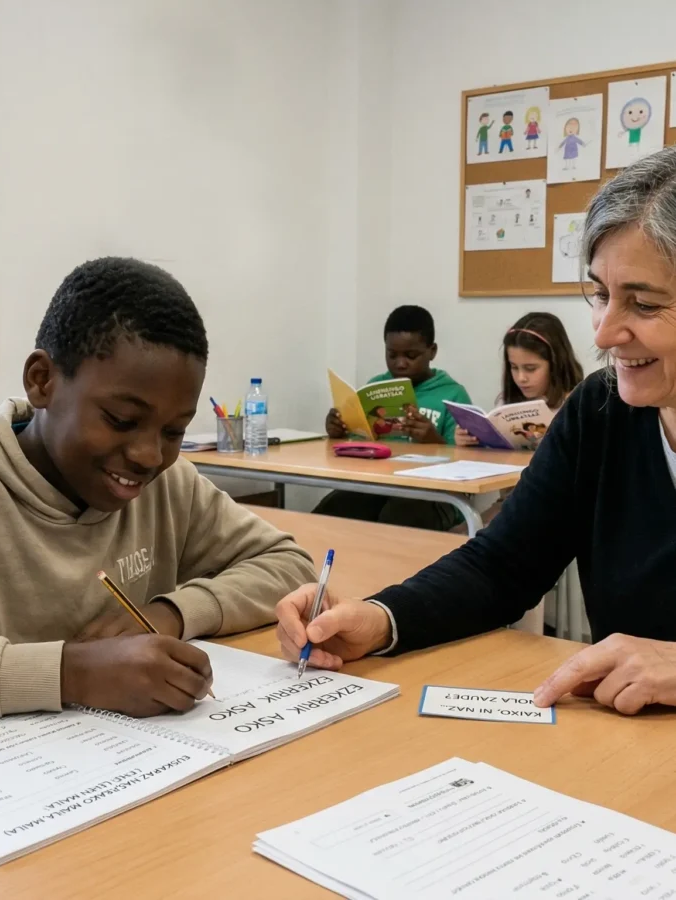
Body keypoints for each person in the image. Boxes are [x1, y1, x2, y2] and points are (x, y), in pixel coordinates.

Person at [277, 146, 676, 717]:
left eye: (644, 304)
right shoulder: (599, 411)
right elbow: (503, 565)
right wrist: (382, 619)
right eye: (600, 294)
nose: (604, 332)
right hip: (623, 742)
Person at [0, 257, 316, 720]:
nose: (148, 455)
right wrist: (71, 674)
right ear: (42, 381)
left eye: (173, 431)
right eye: (122, 420)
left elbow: (289, 566)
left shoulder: (165, 484)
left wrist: (171, 613)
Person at [319, 305, 471, 530]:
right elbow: (357, 447)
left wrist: (433, 439)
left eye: (411, 356)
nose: (400, 363)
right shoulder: (376, 386)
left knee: (399, 515)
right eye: (392, 355)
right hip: (379, 485)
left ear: (432, 351)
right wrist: (338, 431)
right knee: (333, 510)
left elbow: (466, 465)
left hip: (436, 495)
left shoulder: (453, 395)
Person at [455, 311, 584, 450]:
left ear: (556, 364)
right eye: (514, 367)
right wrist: (470, 441)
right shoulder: (506, 403)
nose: (521, 378)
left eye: (531, 368)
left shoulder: (577, 404)